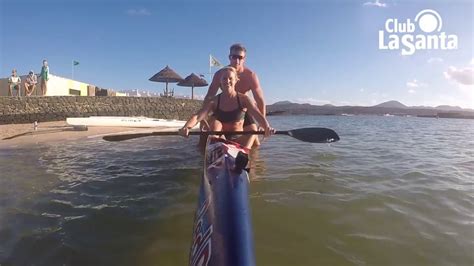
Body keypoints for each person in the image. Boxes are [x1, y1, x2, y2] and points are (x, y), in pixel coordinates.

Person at [179, 66, 274, 149]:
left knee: (253, 129)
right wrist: (186, 127)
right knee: (215, 124)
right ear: (220, 81)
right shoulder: (214, 101)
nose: (227, 81)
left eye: (230, 78)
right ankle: (214, 151)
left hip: (238, 142)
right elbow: (198, 116)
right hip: (220, 142)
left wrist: (267, 127)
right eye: (224, 79)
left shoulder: (244, 99)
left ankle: (245, 154)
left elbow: (257, 114)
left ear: (236, 80)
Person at [204, 43, 266, 146]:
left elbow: (259, 100)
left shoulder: (250, 76)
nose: (237, 60)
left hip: (242, 111)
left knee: (255, 142)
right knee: (206, 136)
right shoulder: (220, 74)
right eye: (234, 57)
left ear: (244, 59)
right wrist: (203, 118)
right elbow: (210, 96)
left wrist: (263, 124)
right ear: (229, 57)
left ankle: (252, 160)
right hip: (222, 110)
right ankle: (205, 156)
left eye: (240, 57)